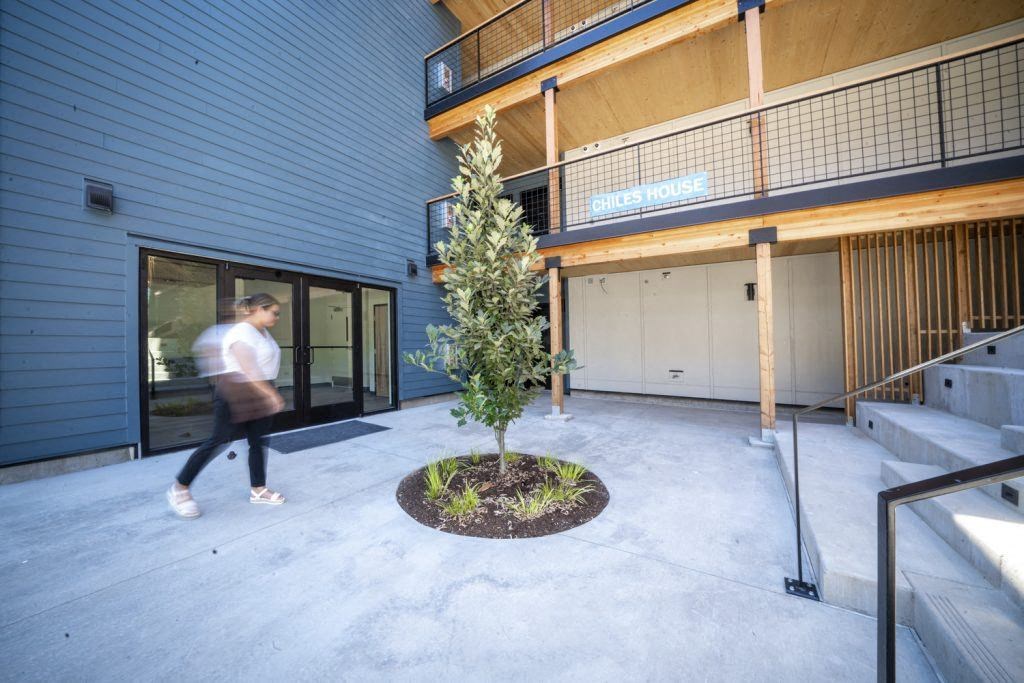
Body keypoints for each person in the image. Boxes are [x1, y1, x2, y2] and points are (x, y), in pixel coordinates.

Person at [167, 293, 286, 518]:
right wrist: (272, 395)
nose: (277, 317)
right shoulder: (241, 332)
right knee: (218, 441)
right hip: (237, 391)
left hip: (259, 391)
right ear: (258, 309)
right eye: (274, 312)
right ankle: (180, 488)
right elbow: (248, 368)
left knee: (258, 442)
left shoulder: (262, 331)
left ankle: (258, 489)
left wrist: (269, 390)